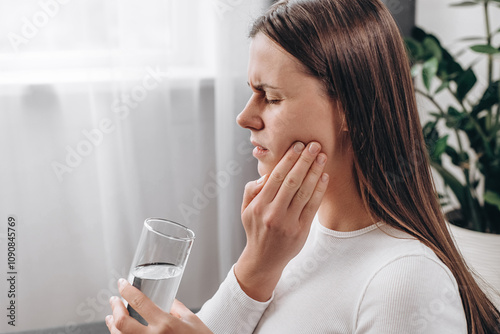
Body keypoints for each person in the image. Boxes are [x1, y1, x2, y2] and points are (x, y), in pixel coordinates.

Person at [106, 0, 500, 333]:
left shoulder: (406, 281)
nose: (245, 117)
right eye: (251, 93)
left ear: (349, 109)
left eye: (271, 97)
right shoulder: (287, 235)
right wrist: (255, 266)